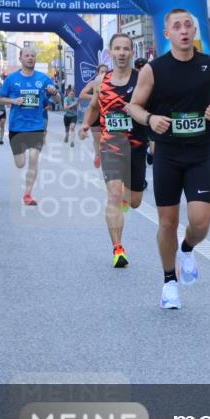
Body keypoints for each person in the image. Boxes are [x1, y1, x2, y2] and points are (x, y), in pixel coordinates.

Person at [126, 8, 210, 310]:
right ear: (167, 33)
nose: (183, 31)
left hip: (199, 152)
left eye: (188, 26)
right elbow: (133, 106)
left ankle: (187, 248)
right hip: (167, 154)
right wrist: (150, 119)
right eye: (177, 26)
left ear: (194, 31)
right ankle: (169, 282)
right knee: (168, 222)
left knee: (201, 221)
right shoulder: (153, 70)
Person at [78, 33, 148, 268]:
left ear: (132, 53)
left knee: (134, 201)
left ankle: (132, 189)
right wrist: (86, 124)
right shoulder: (101, 82)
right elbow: (93, 107)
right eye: (117, 49)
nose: (121, 53)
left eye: (126, 49)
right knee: (114, 196)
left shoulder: (142, 80)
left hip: (137, 146)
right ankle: (118, 248)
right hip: (110, 146)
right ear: (109, 53)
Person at [0, 46, 60, 205]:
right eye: (27, 55)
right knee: (20, 164)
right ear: (21, 58)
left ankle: (27, 194)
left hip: (36, 126)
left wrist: (54, 93)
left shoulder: (43, 78)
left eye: (33, 55)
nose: (30, 58)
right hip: (17, 127)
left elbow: (58, 100)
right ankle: (20, 156)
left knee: (34, 158)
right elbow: (0, 98)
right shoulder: (11, 79)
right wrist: (13, 101)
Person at [79, 64, 109, 169]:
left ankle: (105, 154)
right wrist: (95, 96)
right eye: (102, 72)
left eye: (106, 72)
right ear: (98, 73)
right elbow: (82, 94)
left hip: (107, 113)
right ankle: (97, 155)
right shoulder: (93, 83)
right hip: (95, 112)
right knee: (97, 138)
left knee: (107, 137)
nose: (104, 74)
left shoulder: (111, 83)